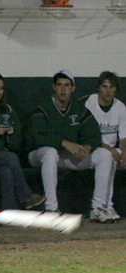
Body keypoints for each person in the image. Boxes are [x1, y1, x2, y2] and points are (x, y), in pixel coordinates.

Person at [28, 70, 113, 218]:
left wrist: (87, 147)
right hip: (39, 155)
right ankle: (51, 209)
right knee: (50, 152)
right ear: (54, 87)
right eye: (59, 85)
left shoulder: (78, 107)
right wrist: (64, 142)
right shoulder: (43, 107)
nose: (63, 89)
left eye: (67, 85)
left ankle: (98, 207)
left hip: (66, 157)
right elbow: (38, 137)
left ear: (73, 88)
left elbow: (94, 134)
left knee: (104, 154)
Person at [0, 71, 46, 211]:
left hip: (2, 154)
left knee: (7, 171)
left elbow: (16, 143)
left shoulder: (7, 110)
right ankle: (27, 196)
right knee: (12, 158)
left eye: (1, 89)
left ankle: (9, 212)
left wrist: (11, 133)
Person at [83, 71, 126, 222]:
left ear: (116, 89)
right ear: (99, 88)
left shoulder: (120, 107)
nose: (108, 91)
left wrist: (124, 153)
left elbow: (123, 137)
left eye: (111, 87)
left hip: (112, 151)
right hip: (92, 150)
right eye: (105, 86)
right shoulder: (90, 103)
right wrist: (111, 149)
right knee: (107, 156)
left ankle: (107, 206)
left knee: (113, 157)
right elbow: (89, 137)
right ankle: (100, 206)